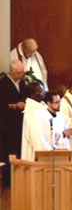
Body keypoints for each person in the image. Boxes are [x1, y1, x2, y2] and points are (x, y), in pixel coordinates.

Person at [21, 90, 72, 161]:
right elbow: (37, 139)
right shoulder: (32, 113)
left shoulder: (43, 110)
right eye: (38, 91)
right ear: (32, 94)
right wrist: (48, 153)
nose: (42, 93)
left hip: (54, 152)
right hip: (41, 156)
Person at [0, 60, 26, 188]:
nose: (22, 75)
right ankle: (7, 180)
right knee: (8, 151)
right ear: (13, 72)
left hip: (19, 123)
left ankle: (17, 177)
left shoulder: (22, 83)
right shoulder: (3, 83)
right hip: (7, 124)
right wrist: (14, 106)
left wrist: (24, 103)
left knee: (18, 149)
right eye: (20, 73)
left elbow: (25, 97)